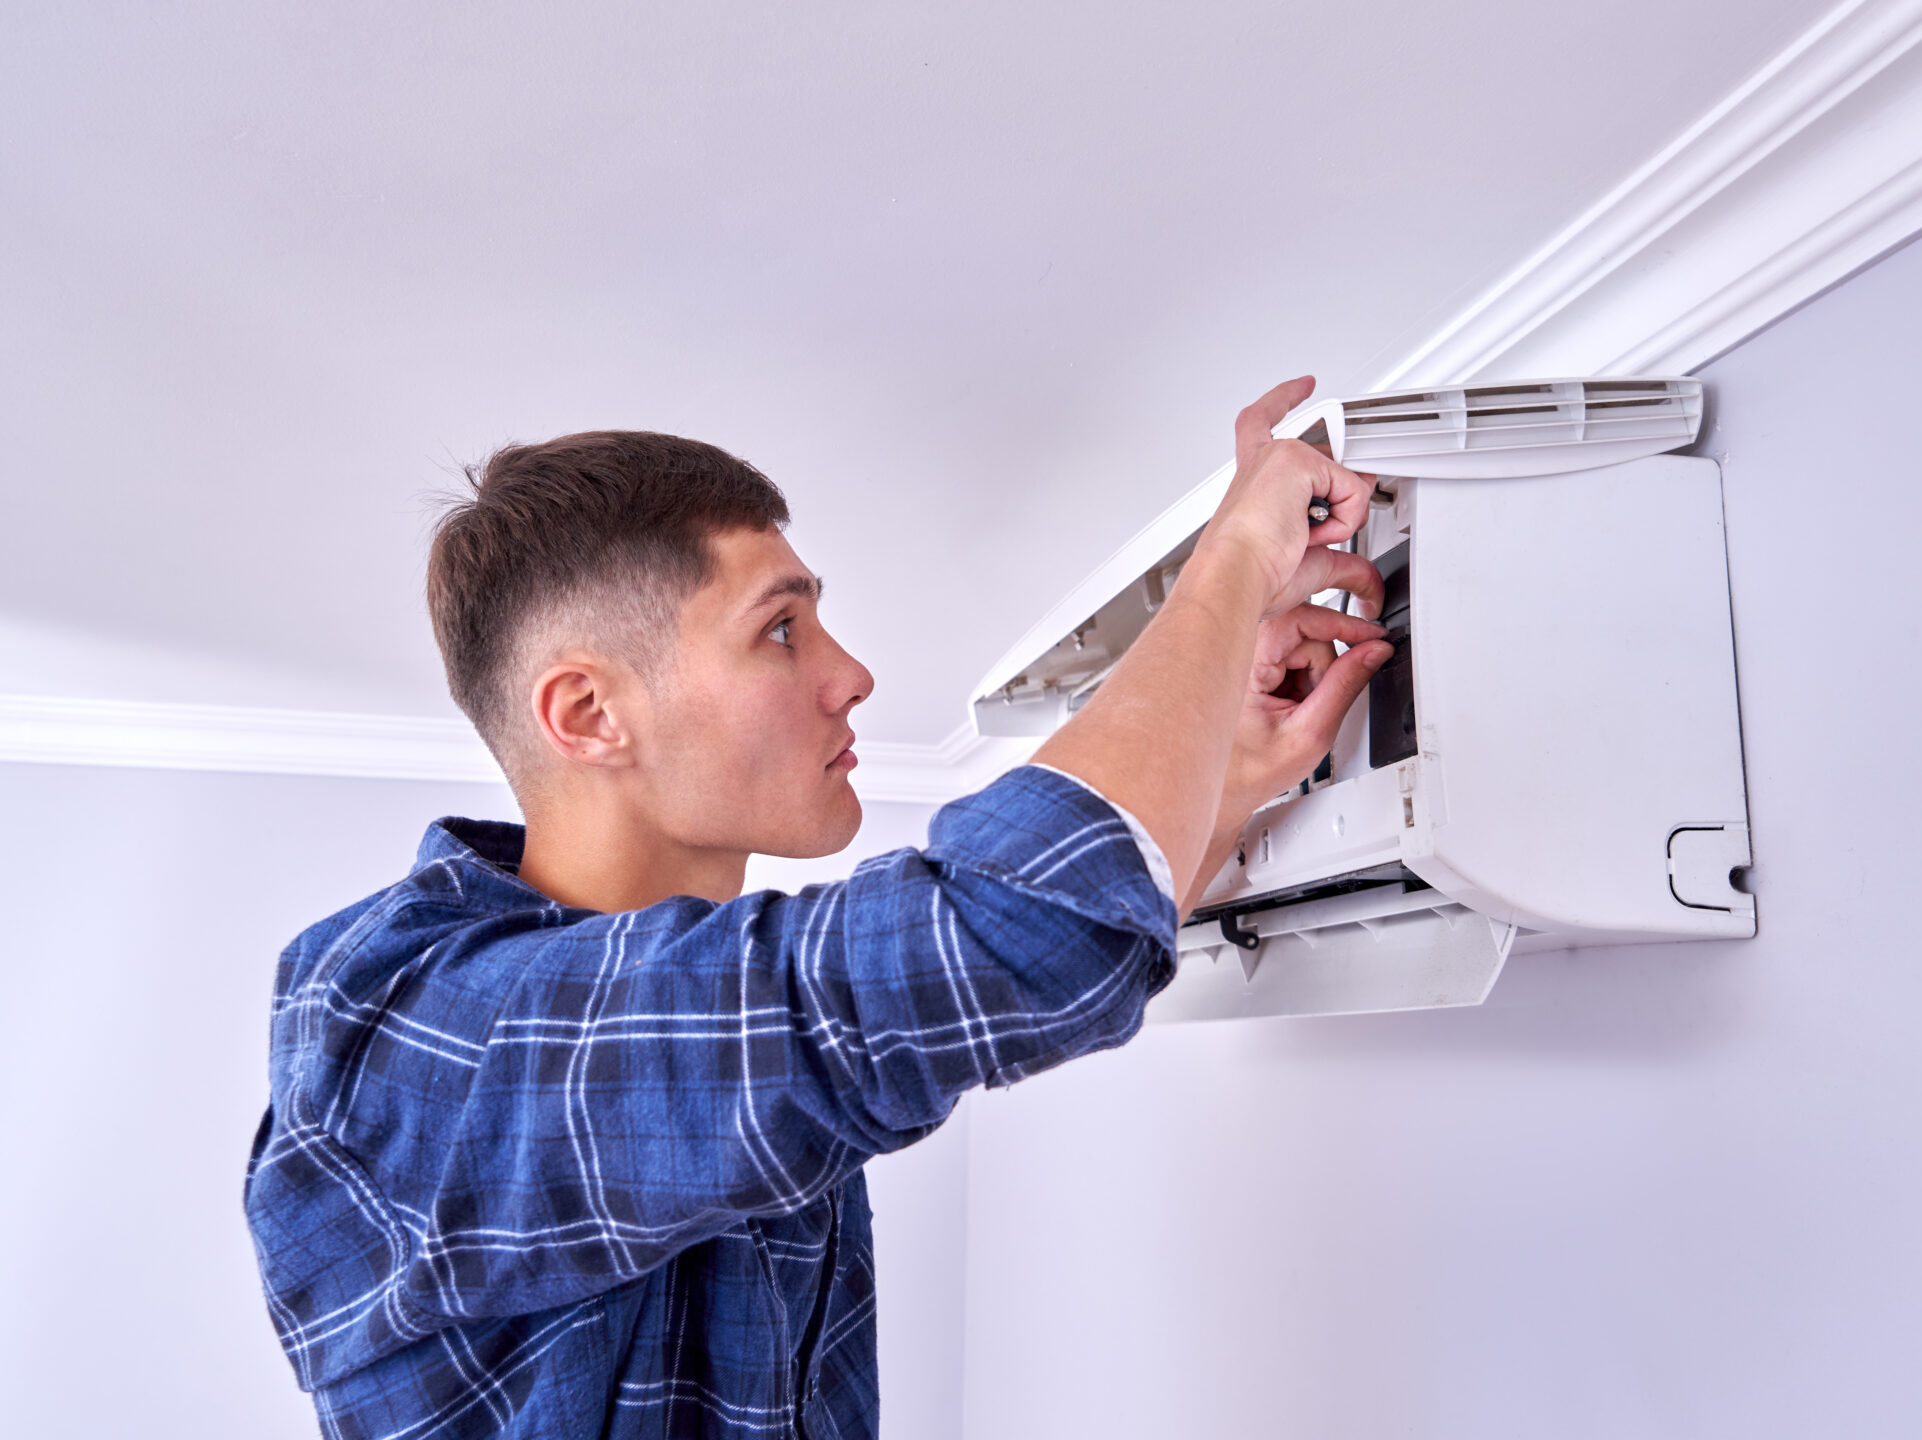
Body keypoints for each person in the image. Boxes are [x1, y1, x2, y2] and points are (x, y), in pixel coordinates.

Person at [243, 378, 1393, 1438]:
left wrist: (1227, 773)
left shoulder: (675, 1025)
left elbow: (973, 976)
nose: (851, 675)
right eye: (780, 628)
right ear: (590, 715)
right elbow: (1012, 937)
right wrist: (1234, 558)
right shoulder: (417, 1036)